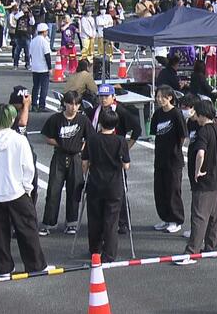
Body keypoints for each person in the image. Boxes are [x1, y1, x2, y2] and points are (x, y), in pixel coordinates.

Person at [0, 104, 48, 276]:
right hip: (17, 192)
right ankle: (35, 265)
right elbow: (28, 167)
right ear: (11, 119)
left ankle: (4, 268)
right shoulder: (19, 140)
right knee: (27, 230)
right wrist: (27, 188)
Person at [177, 100, 217, 265]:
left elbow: (200, 153)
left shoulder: (203, 132)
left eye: (197, 114)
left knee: (199, 216)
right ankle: (211, 248)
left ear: (202, 115)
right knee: (214, 216)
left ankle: (191, 252)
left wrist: (198, 170)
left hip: (204, 181)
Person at [88, 83, 142, 234]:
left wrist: (127, 146)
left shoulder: (121, 112)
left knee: (120, 191)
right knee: (99, 191)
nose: (103, 99)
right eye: (101, 96)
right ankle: (102, 220)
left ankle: (123, 222)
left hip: (115, 155)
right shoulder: (94, 112)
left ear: (113, 97)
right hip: (99, 155)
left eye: (106, 96)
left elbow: (137, 129)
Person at [40, 91, 93, 236]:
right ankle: (49, 222)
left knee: (74, 191)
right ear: (64, 104)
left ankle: (72, 223)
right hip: (59, 157)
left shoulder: (83, 120)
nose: (73, 107)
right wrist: (61, 144)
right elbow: (47, 137)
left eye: (76, 104)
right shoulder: (56, 119)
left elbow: (90, 138)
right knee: (53, 190)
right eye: (70, 104)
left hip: (76, 158)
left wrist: (81, 150)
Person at [82, 108, 130, 261]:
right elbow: (126, 165)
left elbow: (85, 163)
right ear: (115, 125)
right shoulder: (120, 140)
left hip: (95, 183)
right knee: (111, 220)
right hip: (114, 185)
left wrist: (87, 174)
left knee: (94, 218)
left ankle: (95, 250)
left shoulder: (92, 139)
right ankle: (109, 254)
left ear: (100, 123)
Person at [149, 86, 187, 234]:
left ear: (170, 97)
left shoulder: (176, 114)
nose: (159, 99)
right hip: (160, 157)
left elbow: (183, 135)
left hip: (174, 159)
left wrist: (176, 148)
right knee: (160, 190)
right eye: (157, 96)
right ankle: (165, 218)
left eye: (162, 97)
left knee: (173, 190)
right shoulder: (158, 114)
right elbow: (153, 133)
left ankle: (176, 220)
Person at [29, 23, 52, 112]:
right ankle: (42, 105)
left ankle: (34, 105)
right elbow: (47, 55)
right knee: (44, 87)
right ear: (44, 32)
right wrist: (50, 68)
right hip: (43, 68)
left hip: (35, 67)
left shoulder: (33, 41)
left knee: (35, 87)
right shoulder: (44, 41)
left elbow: (30, 54)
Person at [12, 3, 33, 70]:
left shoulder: (29, 15)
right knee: (17, 51)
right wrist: (22, 12)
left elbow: (32, 23)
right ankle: (15, 65)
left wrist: (30, 15)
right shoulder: (19, 14)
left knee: (28, 52)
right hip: (18, 35)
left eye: (26, 7)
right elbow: (15, 17)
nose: (25, 9)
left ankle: (28, 64)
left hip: (27, 35)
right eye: (23, 7)